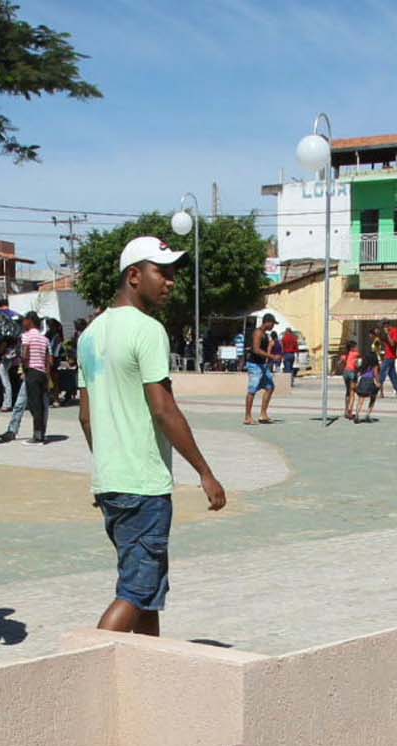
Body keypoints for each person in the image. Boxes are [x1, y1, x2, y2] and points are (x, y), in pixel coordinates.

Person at [77, 235, 225, 636]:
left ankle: (146, 672)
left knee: (148, 589)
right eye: (162, 272)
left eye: (174, 273)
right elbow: (164, 409)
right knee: (136, 588)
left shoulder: (90, 335)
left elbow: (86, 417)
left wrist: (105, 467)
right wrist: (205, 472)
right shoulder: (148, 330)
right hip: (143, 484)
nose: (171, 281)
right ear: (134, 276)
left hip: (112, 483)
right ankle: (81, 669)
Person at [13, 313, 51, 443]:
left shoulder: (26, 336)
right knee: (41, 404)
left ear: (30, 321)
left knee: (34, 404)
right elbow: (48, 360)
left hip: (32, 372)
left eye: (24, 320)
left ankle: (37, 435)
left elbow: (24, 354)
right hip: (42, 373)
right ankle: (41, 432)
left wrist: (24, 368)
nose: (23, 323)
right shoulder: (44, 339)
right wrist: (47, 375)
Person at [243, 312, 278, 425]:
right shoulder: (258, 333)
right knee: (252, 390)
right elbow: (256, 350)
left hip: (262, 365)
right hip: (255, 365)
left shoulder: (265, 334)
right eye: (272, 323)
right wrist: (272, 356)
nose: (273, 326)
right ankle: (247, 417)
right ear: (267, 322)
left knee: (270, 387)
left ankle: (263, 414)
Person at [380, 322, 397, 398]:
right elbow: (385, 342)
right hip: (387, 356)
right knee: (393, 376)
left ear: (387, 325)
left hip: (390, 357)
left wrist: (387, 334)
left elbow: (392, 344)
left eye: (384, 326)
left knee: (381, 374)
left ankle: (377, 391)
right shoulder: (387, 332)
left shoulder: (394, 331)